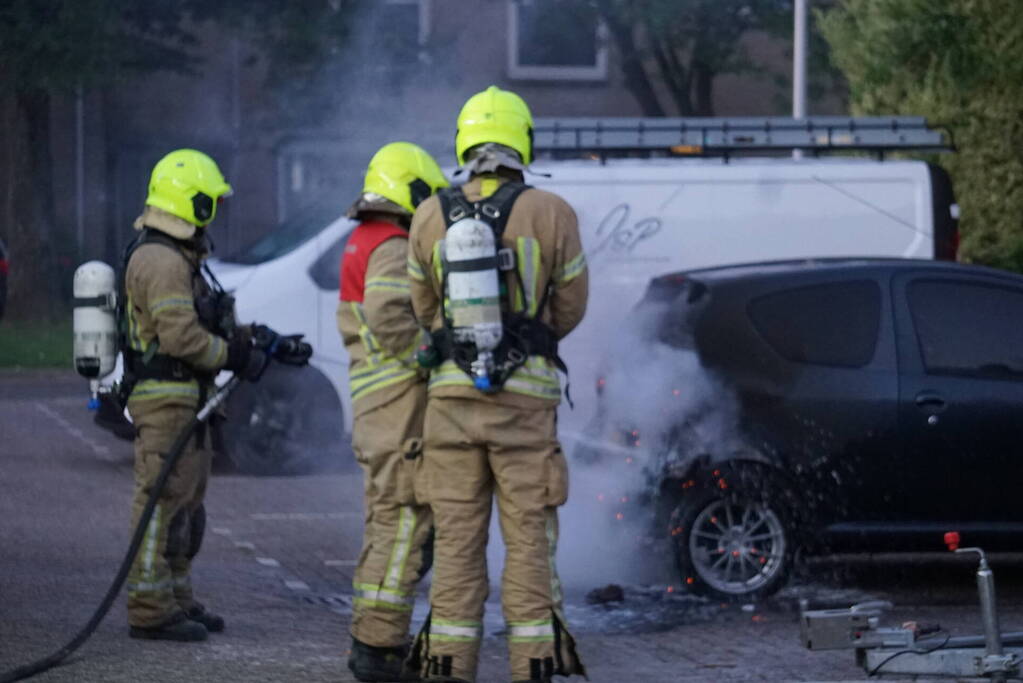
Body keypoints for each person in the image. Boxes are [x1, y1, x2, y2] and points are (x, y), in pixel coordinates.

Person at [406, 86, 589, 683]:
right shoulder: (553, 212)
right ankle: (532, 669)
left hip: (450, 408)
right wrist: (530, 337)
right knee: (529, 544)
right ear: (522, 142)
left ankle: (446, 669)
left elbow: (423, 309)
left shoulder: (428, 215)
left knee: (456, 548)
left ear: (465, 143)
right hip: (525, 411)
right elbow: (572, 305)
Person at [123, 149, 270, 641]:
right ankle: (149, 608)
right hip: (166, 399)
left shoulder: (181, 258)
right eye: (211, 203)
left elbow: (204, 321)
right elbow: (181, 338)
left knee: (187, 502)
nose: (215, 214)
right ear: (192, 202)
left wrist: (256, 340)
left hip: (189, 397)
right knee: (162, 500)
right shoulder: (160, 261)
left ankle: (177, 598)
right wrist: (233, 356)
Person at [339, 142, 449, 681]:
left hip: (375, 408)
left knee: (386, 522)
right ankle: (378, 650)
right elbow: (388, 313)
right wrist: (428, 353)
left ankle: (373, 638)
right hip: (396, 405)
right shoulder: (390, 242)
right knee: (406, 521)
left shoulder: (363, 238)